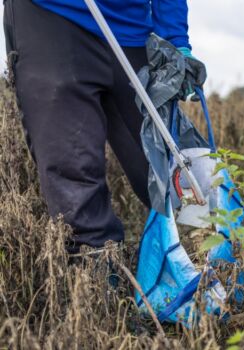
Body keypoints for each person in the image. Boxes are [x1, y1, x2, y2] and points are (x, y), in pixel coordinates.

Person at [3, 0, 203, 255]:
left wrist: (175, 40)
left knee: (179, 169)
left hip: (130, 27)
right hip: (53, 16)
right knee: (74, 170)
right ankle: (96, 274)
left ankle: (212, 261)